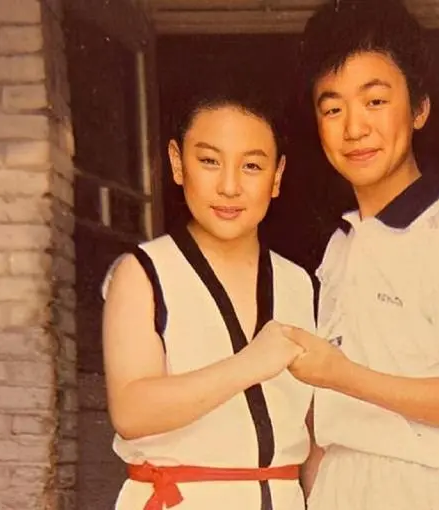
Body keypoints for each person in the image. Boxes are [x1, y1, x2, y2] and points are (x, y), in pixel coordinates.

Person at [286, 1, 439, 509]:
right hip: (342, 484)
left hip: (430, 485)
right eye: (333, 108)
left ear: (419, 109)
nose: (353, 128)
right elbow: (328, 415)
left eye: (375, 101)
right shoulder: (342, 243)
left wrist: (341, 374)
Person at [101, 89, 315, 510]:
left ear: (277, 176)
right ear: (177, 163)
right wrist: (249, 364)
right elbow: (130, 412)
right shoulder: (143, 272)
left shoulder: (301, 284)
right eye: (210, 161)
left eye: (251, 166)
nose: (229, 187)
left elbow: (316, 431)